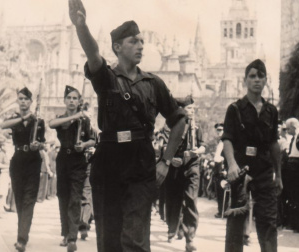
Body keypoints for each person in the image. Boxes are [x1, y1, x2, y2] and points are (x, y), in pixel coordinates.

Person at [69, 1, 188, 251]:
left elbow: (179, 121)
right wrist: (81, 26)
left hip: (141, 165)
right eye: (133, 41)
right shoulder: (106, 78)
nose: (141, 45)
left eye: (142, 41)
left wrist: (165, 161)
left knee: (135, 240)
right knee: (110, 241)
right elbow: (93, 54)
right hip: (109, 162)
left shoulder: (153, 83)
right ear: (117, 47)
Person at [222, 59, 282, 252]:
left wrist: (279, 175)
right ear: (245, 80)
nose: (257, 80)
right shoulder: (235, 109)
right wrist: (231, 164)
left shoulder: (271, 111)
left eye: (261, 76)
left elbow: (274, 144)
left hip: (264, 171)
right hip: (240, 171)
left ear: (266, 80)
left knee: (268, 221)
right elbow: (227, 139)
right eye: (252, 76)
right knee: (236, 220)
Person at [49, 85, 95, 251]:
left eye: (75, 98)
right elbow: (52, 124)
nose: (72, 101)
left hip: (78, 161)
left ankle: (72, 238)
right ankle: (65, 233)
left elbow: (92, 140)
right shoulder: (62, 119)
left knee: (75, 199)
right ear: (64, 100)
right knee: (63, 198)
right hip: (63, 160)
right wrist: (75, 116)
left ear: (79, 101)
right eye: (69, 98)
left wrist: (83, 145)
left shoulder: (85, 121)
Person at [1, 87, 46, 252]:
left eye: (26, 99)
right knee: (19, 200)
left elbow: (43, 143)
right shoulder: (14, 118)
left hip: (33, 161)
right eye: (20, 99)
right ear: (17, 101)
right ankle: (22, 233)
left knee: (29, 201)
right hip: (18, 160)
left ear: (31, 102)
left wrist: (38, 145)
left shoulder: (38, 121)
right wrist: (24, 118)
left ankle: (22, 239)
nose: (23, 102)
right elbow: (2, 125)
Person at [164, 96, 205, 251]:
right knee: (173, 200)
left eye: (193, 109)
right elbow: (162, 147)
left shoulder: (196, 127)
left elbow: (203, 146)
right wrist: (171, 158)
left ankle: (190, 238)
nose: (192, 111)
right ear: (180, 110)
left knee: (191, 200)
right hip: (175, 167)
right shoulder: (171, 127)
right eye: (189, 108)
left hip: (192, 166)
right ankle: (172, 229)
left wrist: (197, 151)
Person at [213, 123, 226, 218]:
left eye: (221, 129)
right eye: (217, 130)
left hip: (223, 170)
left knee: (223, 191)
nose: (219, 131)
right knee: (219, 191)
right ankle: (220, 210)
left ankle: (223, 211)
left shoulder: (226, 142)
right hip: (217, 170)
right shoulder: (219, 141)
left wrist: (225, 169)